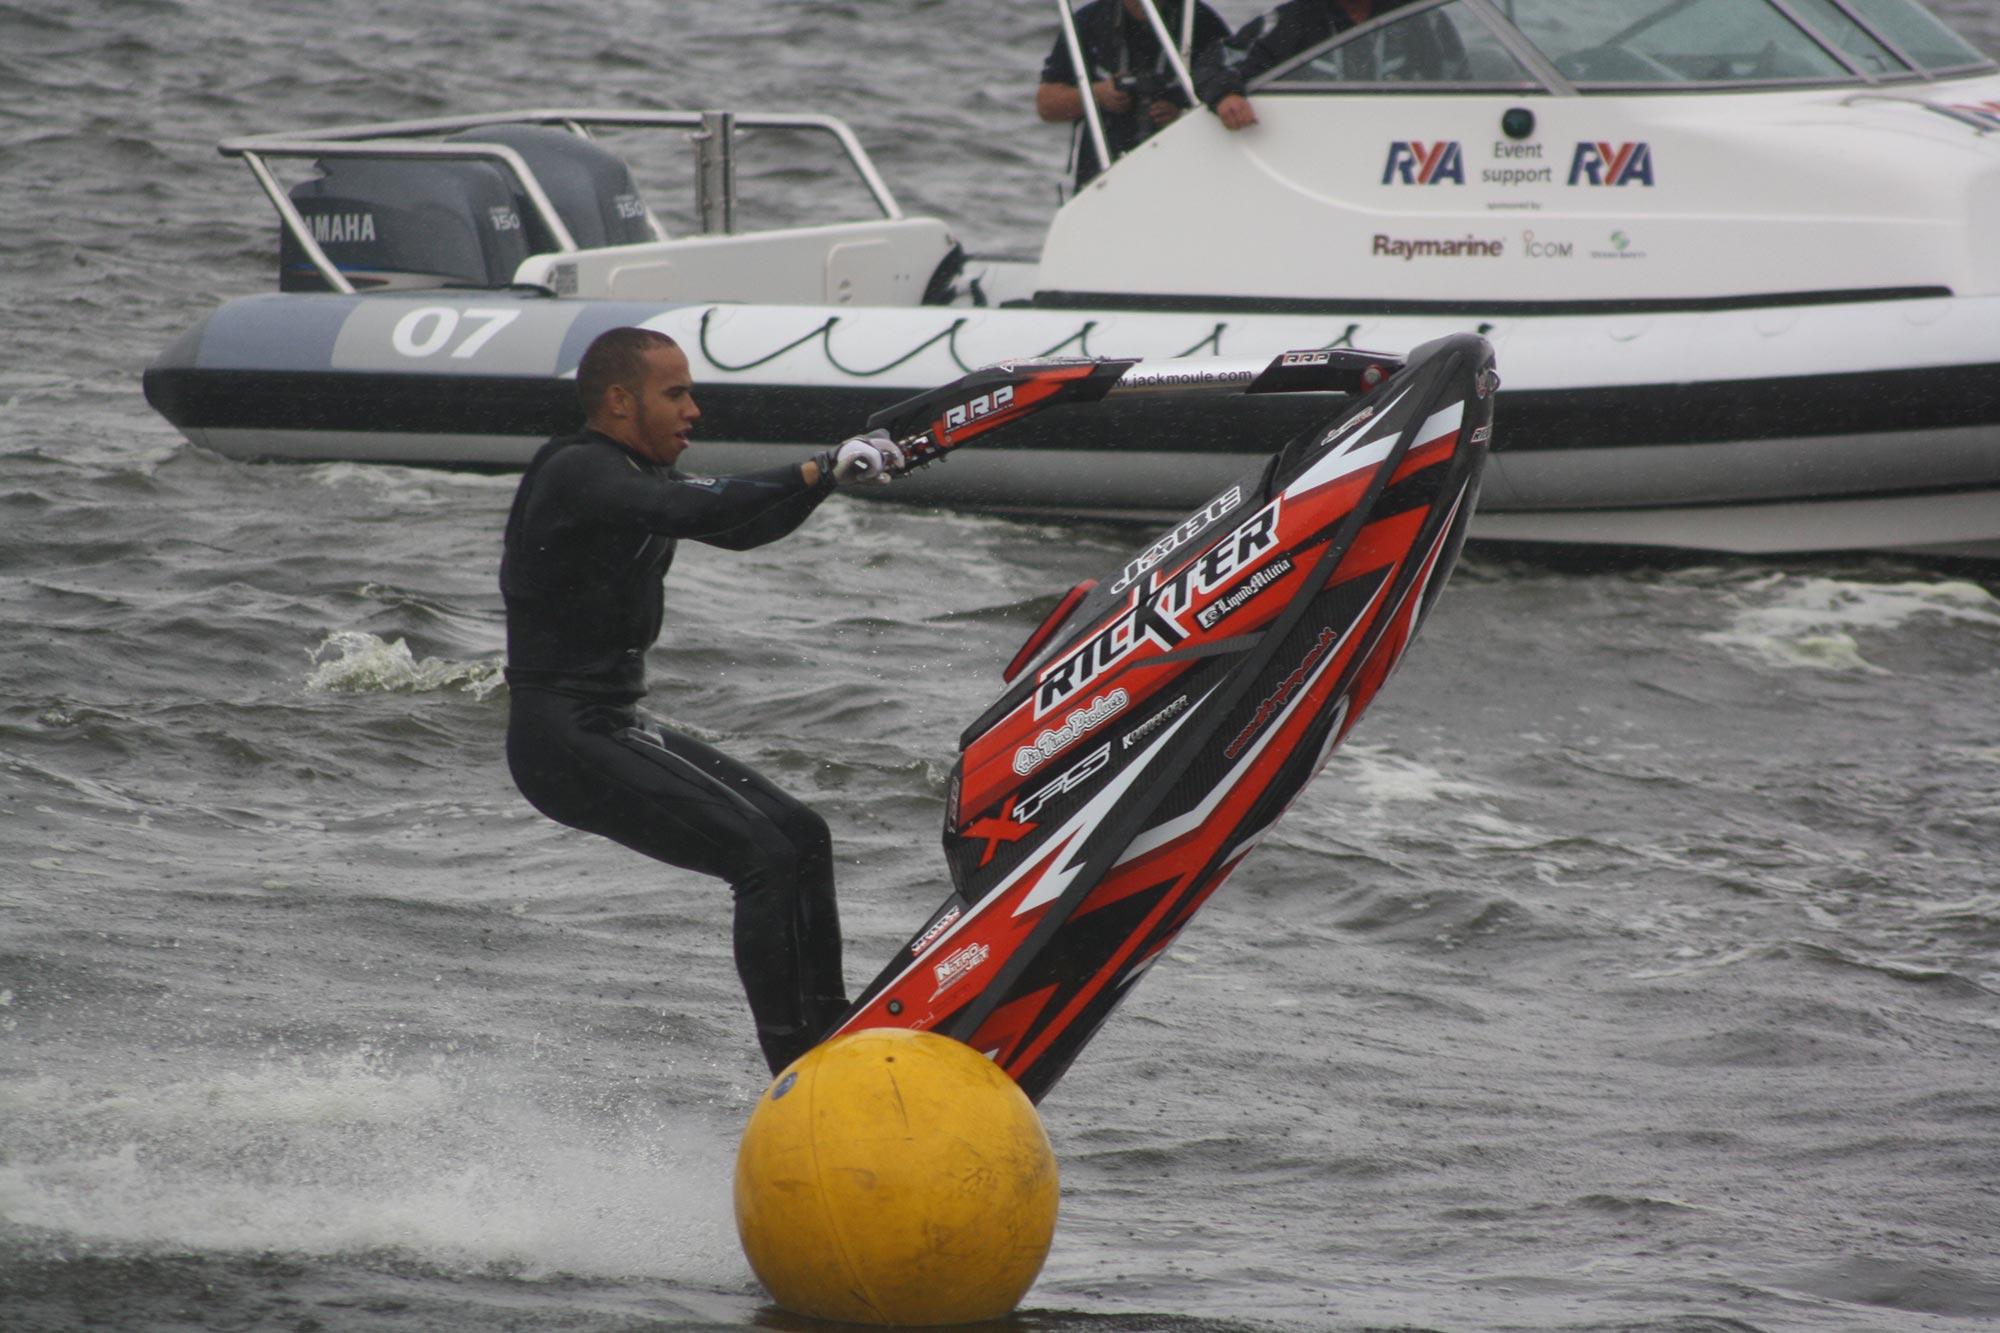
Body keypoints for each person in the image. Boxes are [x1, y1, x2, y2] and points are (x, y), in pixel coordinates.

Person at [500, 326, 902, 1076]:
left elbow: (742, 526)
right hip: (560, 737)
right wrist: (817, 467)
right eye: (676, 393)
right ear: (620, 401)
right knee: (761, 857)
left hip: (606, 724)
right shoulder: (580, 471)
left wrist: (830, 480)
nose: (695, 410)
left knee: (802, 834)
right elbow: (701, 510)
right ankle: (797, 1063)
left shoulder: (632, 475)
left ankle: (834, 1024)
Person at [1038, 0, 1230, 187]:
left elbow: (1232, 93)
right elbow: (1046, 104)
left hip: (1182, 172)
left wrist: (1182, 115)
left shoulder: (1200, 23)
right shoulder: (1090, 22)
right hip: (1100, 174)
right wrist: (1097, 94)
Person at [1194, 0, 1404, 129]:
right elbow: (1214, 62)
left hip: (1400, 142)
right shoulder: (1290, 21)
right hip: (1313, 148)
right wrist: (1226, 94)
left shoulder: (1420, 20)